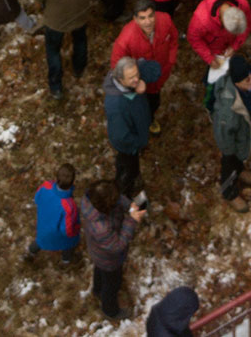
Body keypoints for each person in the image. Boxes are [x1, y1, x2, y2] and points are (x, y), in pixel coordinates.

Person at [111, 0, 179, 133]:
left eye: (150, 16)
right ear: (135, 19)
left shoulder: (165, 20)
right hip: (137, 82)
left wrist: (170, 61)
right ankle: (137, 125)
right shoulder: (126, 39)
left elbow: (174, 40)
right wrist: (134, 84)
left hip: (159, 76)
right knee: (138, 107)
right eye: (142, 18)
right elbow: (116, 66)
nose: (148, 22)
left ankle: (150, 119)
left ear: (155, 14)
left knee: (154, 103)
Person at [83, 178, 146, 321]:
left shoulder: (91, 197)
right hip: (109, 259)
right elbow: (117, 246)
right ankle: (110, 310)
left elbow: (117, 199)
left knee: (99, 271)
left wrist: (131, 206)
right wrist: (132, 220)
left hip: (98, 254)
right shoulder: (101, 228)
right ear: (106, 207)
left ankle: (97, 290)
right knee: (112, 284)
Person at [209, 54, 251, 209]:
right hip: (231, 147)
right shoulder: (227, 110)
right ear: (236, 82)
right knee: (230, 166)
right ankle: (229, 192)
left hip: (243, 137)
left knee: (240, 160)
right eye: (247, 79)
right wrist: (230, 152)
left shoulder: (246, 87)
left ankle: (239, 170)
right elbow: (223, 135)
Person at [104, 54, 162, 196]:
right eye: (131, 78)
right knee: (127, 168)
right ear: (120, 79)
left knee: (132, 166)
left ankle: (133, 177)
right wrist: (139, 142)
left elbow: (156, 70)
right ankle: (123, 194)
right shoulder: (116, 105)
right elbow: (120, 136)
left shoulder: (133, 75)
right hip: (128, 145)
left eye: (137, 74)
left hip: (137, 131)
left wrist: (141, 78)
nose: (136, 79)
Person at [188, 0, 251, 67]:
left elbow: (247, 26)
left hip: (228, 45)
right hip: (214, 49)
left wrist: (234, 45)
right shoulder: (200, 21)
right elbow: (194, 39)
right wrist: (209, 58)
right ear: (222, 21)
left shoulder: (243, 4)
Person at [27, 164, 80, 261]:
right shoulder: (69, 206)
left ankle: (31, 252)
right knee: (70, 244)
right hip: (57, 236)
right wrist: (76, 230)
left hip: (43, 227)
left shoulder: (46, 186)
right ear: (72, 182)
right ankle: (66, 260)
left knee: (40, 241)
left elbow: (37, 199)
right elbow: (67, 231)